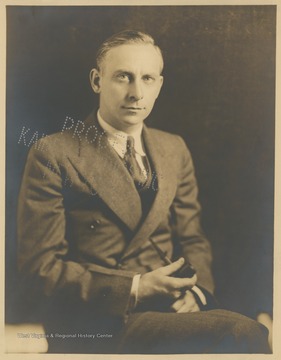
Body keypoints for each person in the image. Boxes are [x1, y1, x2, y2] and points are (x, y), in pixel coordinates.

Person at [17, 29, 270, 354]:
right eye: (123, 77)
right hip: (96, 321)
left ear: (159, 85)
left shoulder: (173, 148)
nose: (136, 93)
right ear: (97, 81)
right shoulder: (54, 152)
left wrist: (196, 293)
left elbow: (192, 239)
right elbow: (41, 267)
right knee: (241, 333)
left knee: (247, 331)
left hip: (170, 310)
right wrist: (136, 287)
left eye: (148, 78)